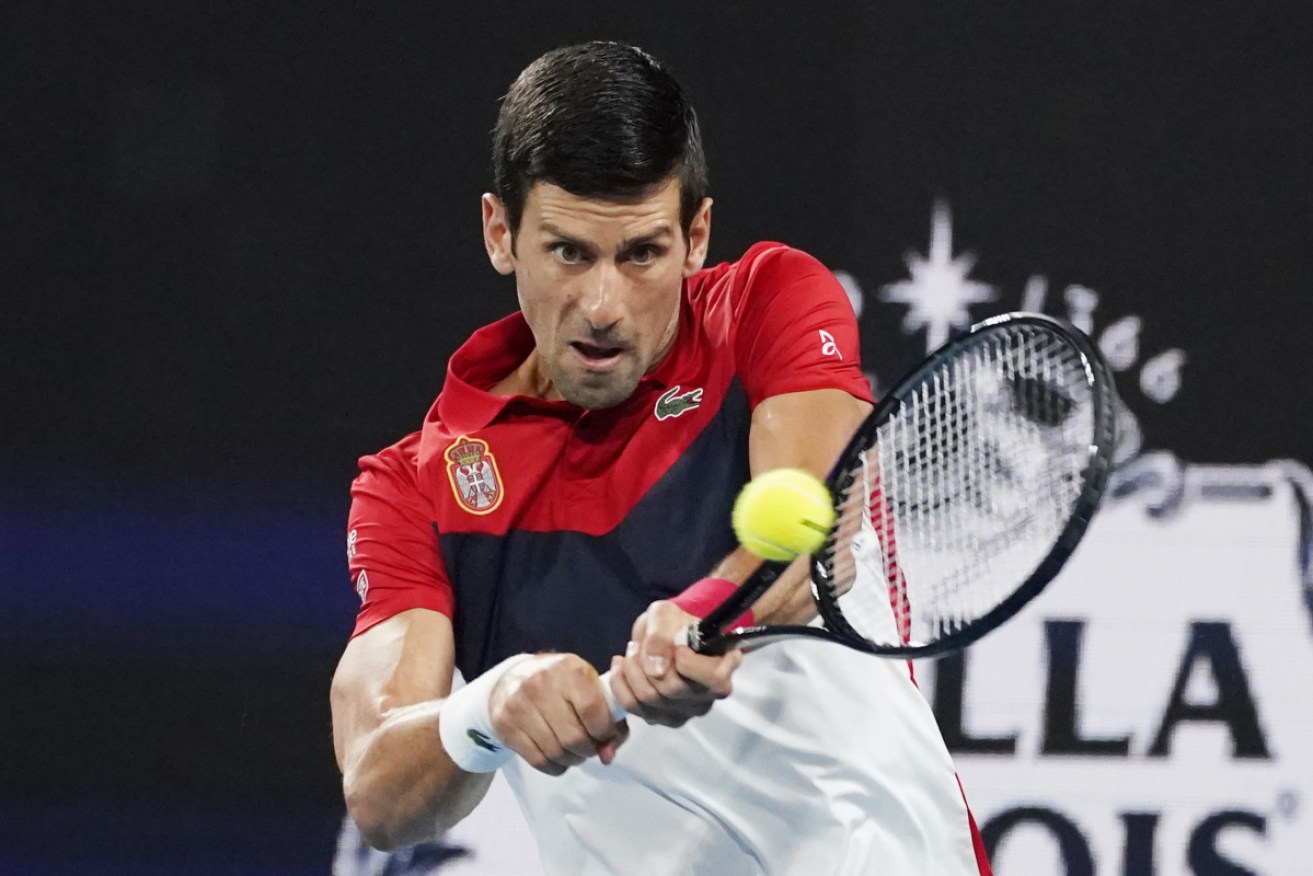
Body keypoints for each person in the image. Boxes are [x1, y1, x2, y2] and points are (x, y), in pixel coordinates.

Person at [330, 41, 992, 875]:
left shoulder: (768, 302)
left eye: (641, 253)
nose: (602, 305)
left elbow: (809, 523)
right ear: (500, 233)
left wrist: (708, 610)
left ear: (696, 235)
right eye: (568, 251)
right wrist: (490, 707)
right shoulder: (413, 487)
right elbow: (379, 792)